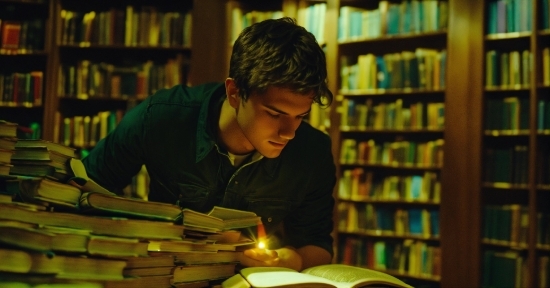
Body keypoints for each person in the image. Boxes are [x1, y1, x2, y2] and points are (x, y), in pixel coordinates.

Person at [82, 17, 336, 271]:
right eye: (275, 114)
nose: (289, 133)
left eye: (300, 116)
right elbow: (82, 192)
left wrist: (295, 258)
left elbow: (318, 244)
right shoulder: (161, 118)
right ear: (235, 93)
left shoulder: (312, 153)